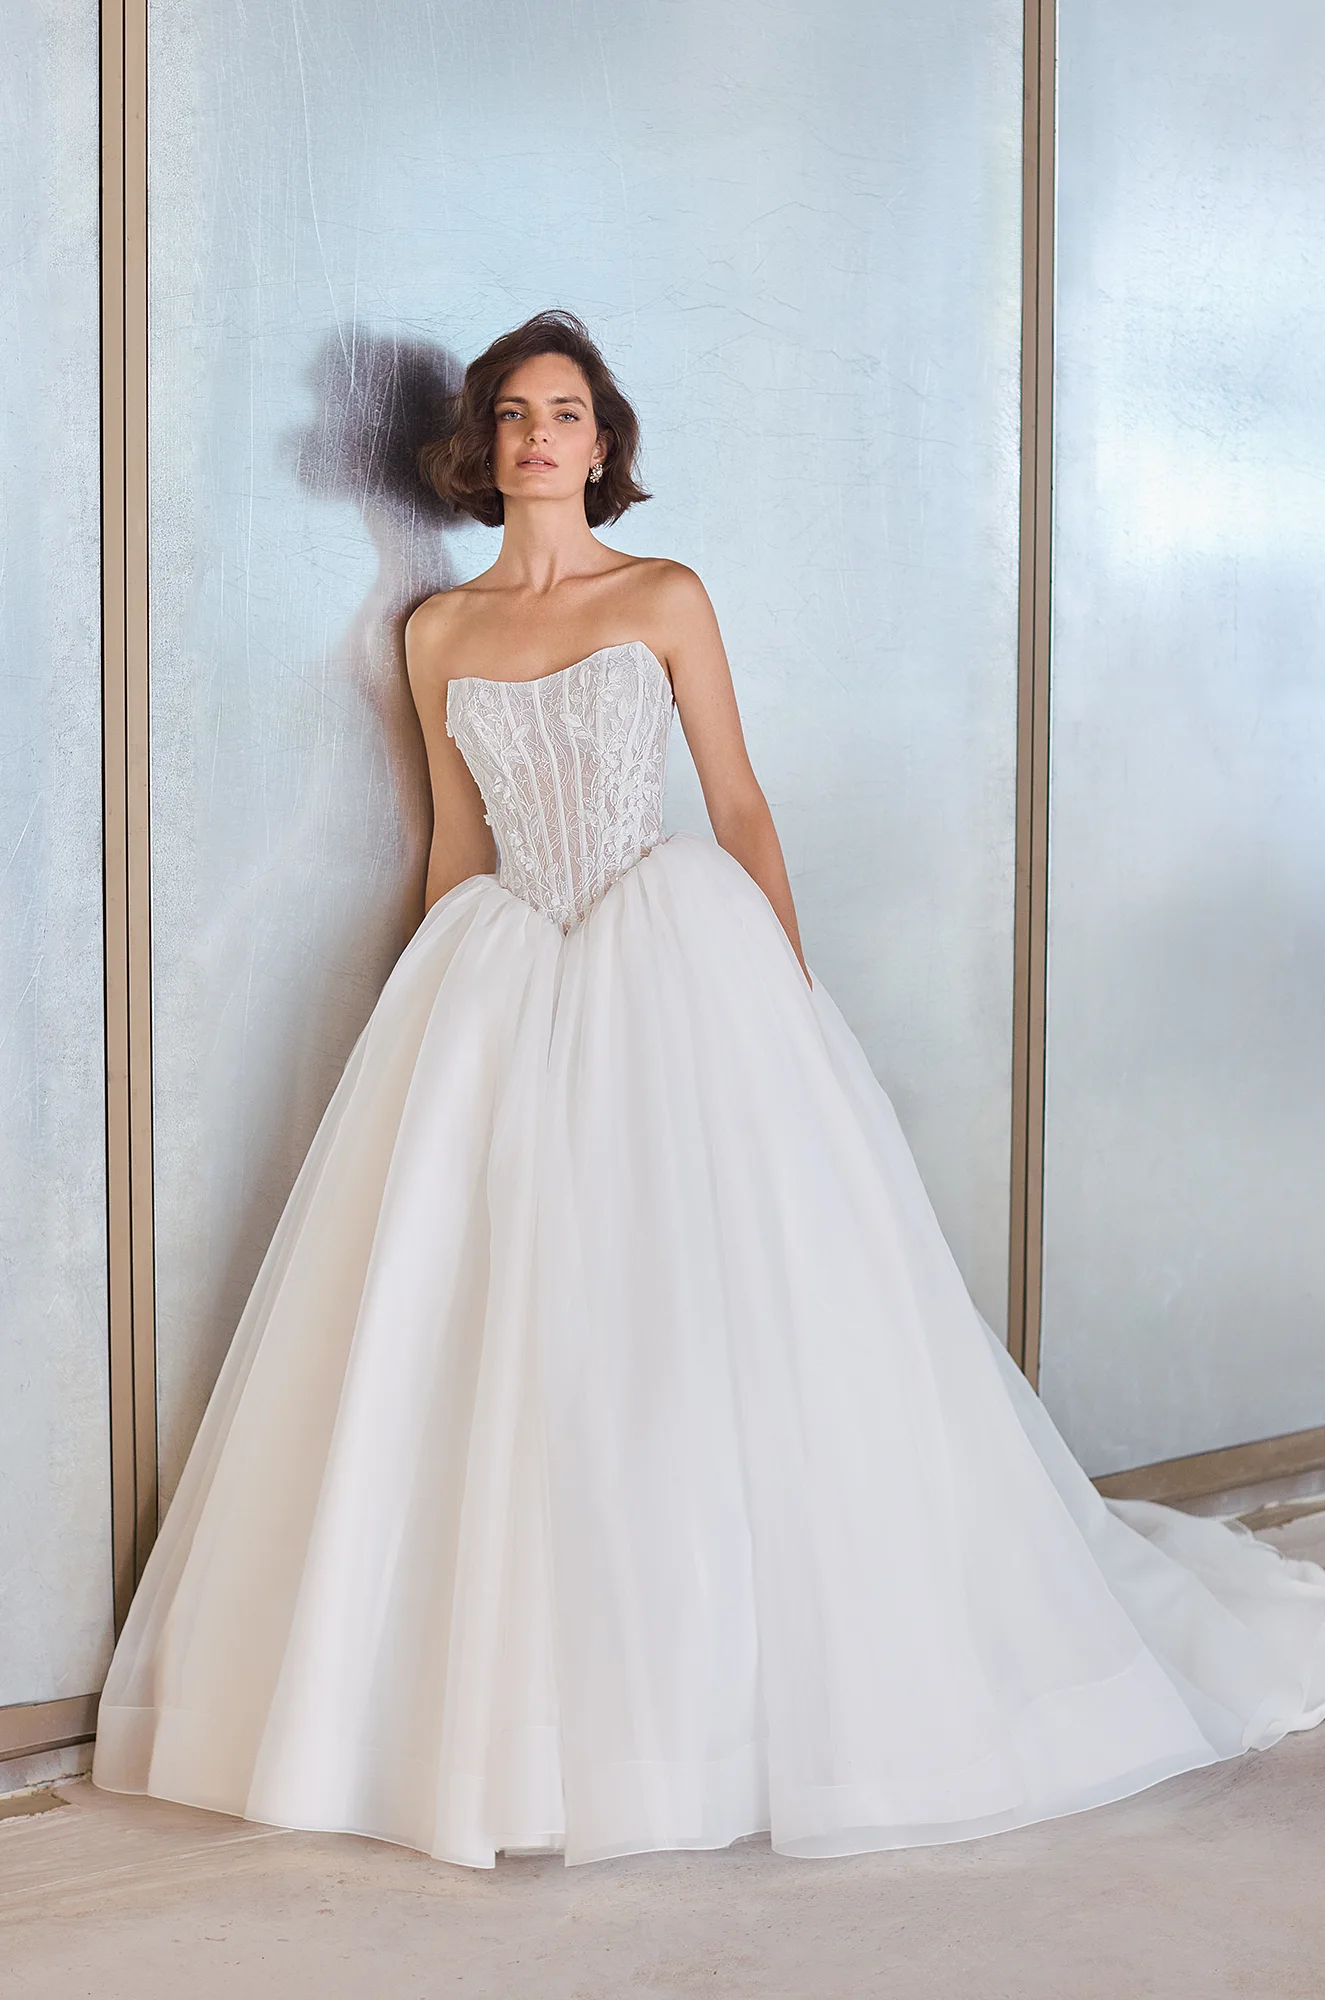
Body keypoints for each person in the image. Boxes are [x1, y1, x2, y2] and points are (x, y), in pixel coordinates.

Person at [93, 310, 1325, 1869]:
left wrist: (787, 1007)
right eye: (516, 415)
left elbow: (740, 806)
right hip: (499, 975)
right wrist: (425, 1029)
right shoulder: (435, 635)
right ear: (484, 449)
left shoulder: (665, 595)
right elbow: (455, 847)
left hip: (676, 964)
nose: (542, 436)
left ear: (604, 444)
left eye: (567, 412)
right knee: (503, 1327)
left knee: (697, 1317)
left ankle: (741, 1689)